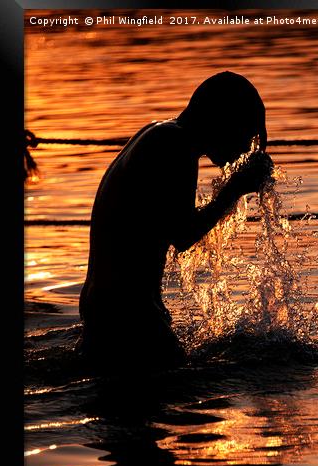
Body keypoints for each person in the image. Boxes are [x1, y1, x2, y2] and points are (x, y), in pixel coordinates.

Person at [78, 71, 269, 375]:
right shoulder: (175, 145)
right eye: (245, 135)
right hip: (128, 313)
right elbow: (182, 234)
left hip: (109, 306)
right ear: (223, 120)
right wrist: (234, 189)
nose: (245, 149)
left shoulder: (160, 133)